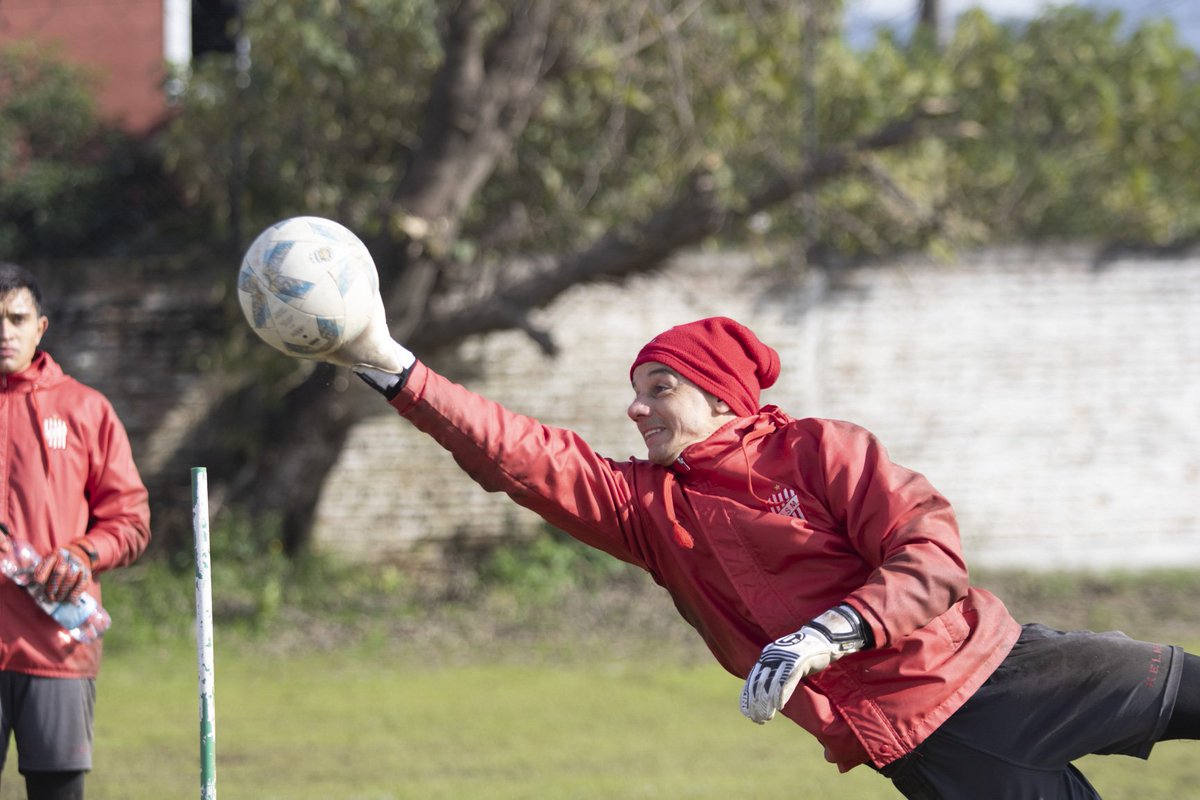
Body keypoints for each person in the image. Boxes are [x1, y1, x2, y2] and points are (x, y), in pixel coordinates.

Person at [350, 315, 1198, 798]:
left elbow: (932, 554)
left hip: (1012, 667)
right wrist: (395, 369)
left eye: (659, 389)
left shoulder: (819, 450)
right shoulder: (648, 509)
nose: (635, 408)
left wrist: (831, 632)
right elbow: (523, 454)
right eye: (635, 391)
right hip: (927, 744)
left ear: (720, 395)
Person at [0, 263, 151, 800]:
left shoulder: (86, 409)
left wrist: (84, 555)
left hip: (57, 646)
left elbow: (130, 521)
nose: (4, 332)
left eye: (16, 318)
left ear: (40, 327)